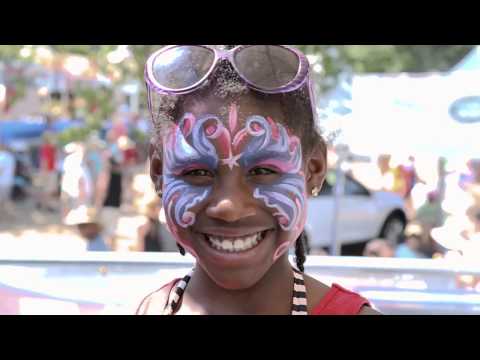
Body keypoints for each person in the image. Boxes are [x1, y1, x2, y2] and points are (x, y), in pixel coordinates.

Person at [136, 45, 378, 315]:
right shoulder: (151, 309)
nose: (229, 208)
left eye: (263, 171)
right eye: (197, 173)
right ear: (159, 172)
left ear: (313, 169)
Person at [0, 141, 16, 220]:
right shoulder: (10, 157)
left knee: (5, 201)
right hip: (8, 181)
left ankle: (11, 216)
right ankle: (9, 216)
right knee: (6, 200)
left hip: (2, 182)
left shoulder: (2, 157)